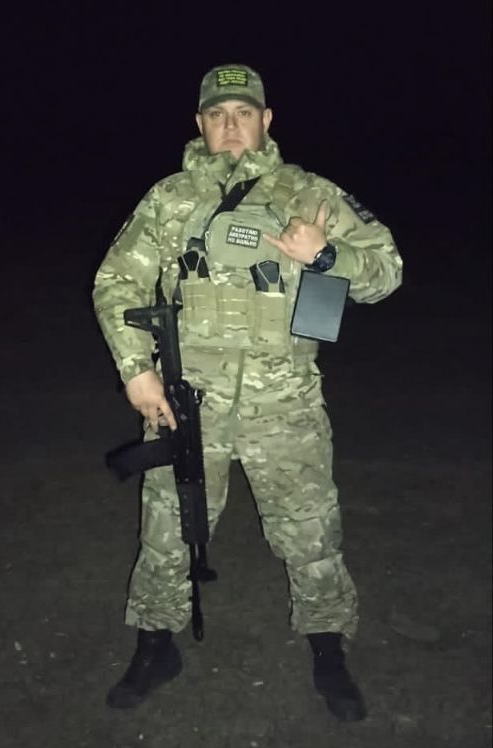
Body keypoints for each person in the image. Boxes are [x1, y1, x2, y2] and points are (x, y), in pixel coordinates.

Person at [92, 63, 402, 722]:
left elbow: (386, 272)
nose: (230, 126)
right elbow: (116, 282)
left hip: (285, 401)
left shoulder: (312, 194)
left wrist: (327, 255)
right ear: (200, 124)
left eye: (242, 113)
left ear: (266, 120)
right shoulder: (169, 198)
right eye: (216, 114)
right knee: (168, 530)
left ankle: (328, 649)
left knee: (311, 532)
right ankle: (155, 645)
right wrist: (136, 369)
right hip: (186, 400)